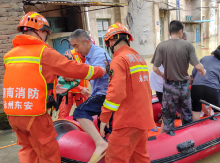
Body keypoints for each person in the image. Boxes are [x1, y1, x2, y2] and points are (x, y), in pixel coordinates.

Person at [3, 12, 106, 163]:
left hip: (13, 114)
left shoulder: (9, 55)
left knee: (27, 149)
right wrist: (99, 71)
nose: (46, 37)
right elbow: (72, 69)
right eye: (46, 33)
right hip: (35, 115)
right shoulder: (43, 52)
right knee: (48, 153)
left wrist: (52, 89)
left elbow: (25, 81)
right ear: (40, 31)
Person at [99, 22, 155, 163]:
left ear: (111, 41)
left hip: (127, 120)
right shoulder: (139, 58)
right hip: (143, 119)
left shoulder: (118, 60)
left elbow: (116, 92)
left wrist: (104, 117)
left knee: (114, 159)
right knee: (140, 158)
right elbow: (146, 89)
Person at [151, 20, 206, 134]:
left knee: (168, 117)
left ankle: (168, 143)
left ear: (169, 32)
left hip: (169, 87)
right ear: (181, 31)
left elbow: (155, 69)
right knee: (187, 115)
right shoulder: (187, 45)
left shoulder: (161, 46)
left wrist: (163, 75)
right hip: (184, 87)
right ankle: (188, 140)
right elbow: (198, 66)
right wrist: (203, 72)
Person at [69, 29, 112, 163]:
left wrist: (71, 70)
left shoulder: (99, 54)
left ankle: (101, 143)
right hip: (98, 94)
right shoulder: (88, 57)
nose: (75, 50)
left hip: (105, 95)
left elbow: (94, 73)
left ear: (86, 42)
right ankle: (107, 147)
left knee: (80, 111)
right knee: (103, 125)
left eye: (76, 46)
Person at [191, 46, 220, 121]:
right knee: (217, 111)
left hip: (196, 87)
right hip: (212, 88)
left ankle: (196, 128)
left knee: (196, 110)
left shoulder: (204, 58)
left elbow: (193, 73)